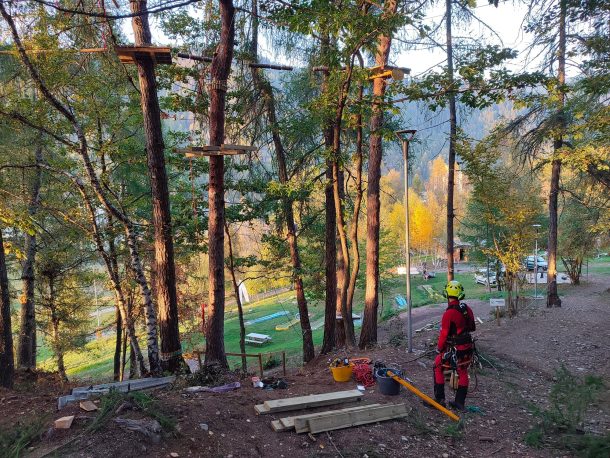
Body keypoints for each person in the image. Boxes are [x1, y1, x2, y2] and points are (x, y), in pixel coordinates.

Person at [429, 280, 476, 411]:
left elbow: (444, 334)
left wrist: (439, 348)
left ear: (447, 294)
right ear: (460, 294)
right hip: (468, 348)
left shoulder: (449, 313)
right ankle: (459, 403)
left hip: (455, 349)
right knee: (463, 372)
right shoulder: (466, 309)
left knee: (437, 366)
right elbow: (472, 327)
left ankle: (440, 400)